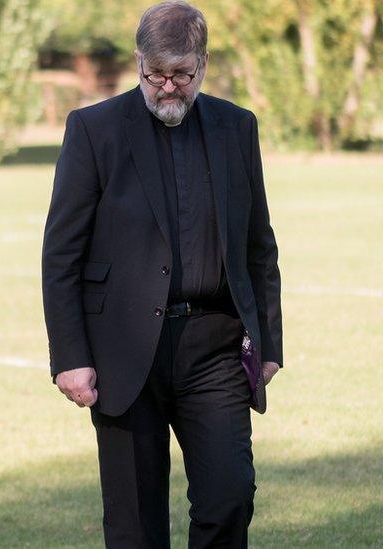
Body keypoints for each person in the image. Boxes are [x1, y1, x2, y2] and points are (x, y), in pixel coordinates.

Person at [42, 2, 282, 547]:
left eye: (181, 74)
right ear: (137, 62)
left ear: (203, 63)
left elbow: (259, 245)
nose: (168, 87)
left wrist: (268, 342)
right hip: (123, 351)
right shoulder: (93, 129)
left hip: (214, 347)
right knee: (135, 526)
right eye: (155, 74)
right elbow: (61, 255)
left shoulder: (236, 127)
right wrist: (70, 357)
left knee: (230, 497)